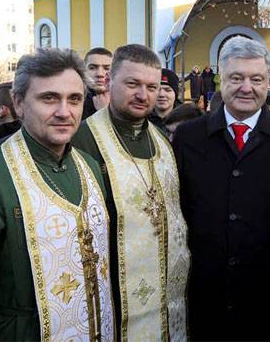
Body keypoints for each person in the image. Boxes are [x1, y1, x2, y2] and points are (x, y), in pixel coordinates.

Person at [172, 36, 270, 341]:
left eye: (256, 79)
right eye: (236, 78)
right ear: (221, 80)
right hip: (206, 297)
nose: (246, 87)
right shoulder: (188, 138)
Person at [0, 48, 115, 340]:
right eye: (49, 98)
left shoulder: (90, 166)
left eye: (74, 99)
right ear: (18, 103)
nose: (64, 112)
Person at [72, 44, 190, 341]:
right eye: (132, 84)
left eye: (152, 86)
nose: (143, 95)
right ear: (110, 82)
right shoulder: (82, 140)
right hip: (113, 296)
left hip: (167, 296)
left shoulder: (162, 140)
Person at [82, 47, 113, 120]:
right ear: (84, 71)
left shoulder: (124, 101)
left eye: (107, 68)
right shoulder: (74, 101)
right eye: (92, 68)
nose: (100, 74)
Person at [149, 68, 180, 134]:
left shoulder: (188, 120)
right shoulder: (140, 120)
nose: (161, 94)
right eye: (157, 89)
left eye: (167, 90)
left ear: (175, 94)